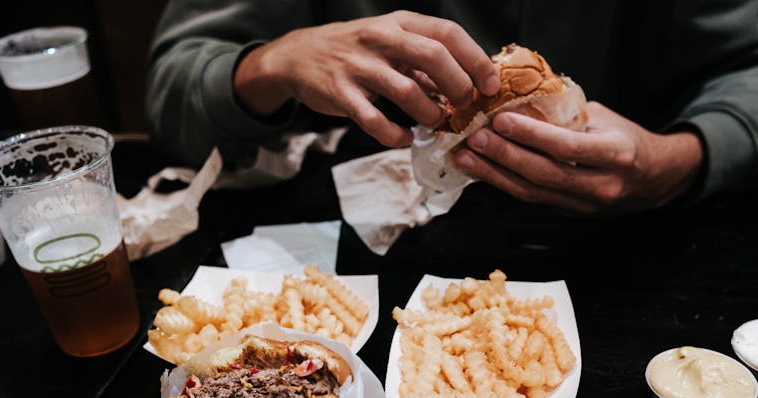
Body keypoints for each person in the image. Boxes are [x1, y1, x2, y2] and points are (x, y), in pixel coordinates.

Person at [146, 1, 758, 214]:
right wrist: (275, 62)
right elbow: (174, 95)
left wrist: (683, 159)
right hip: (340, 241)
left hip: (640, 244)